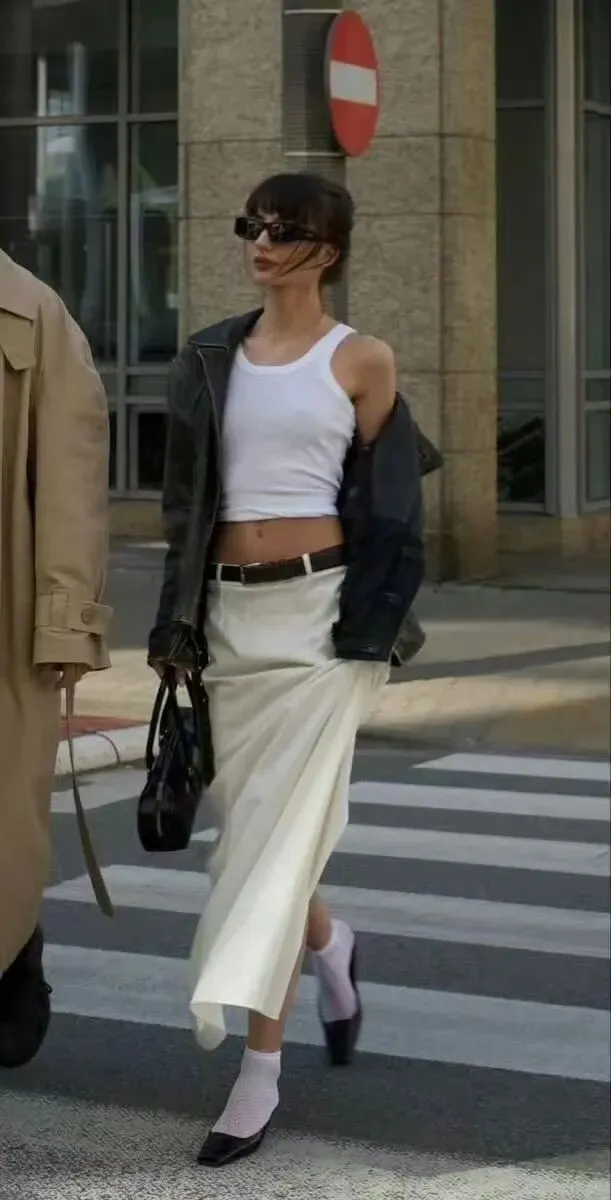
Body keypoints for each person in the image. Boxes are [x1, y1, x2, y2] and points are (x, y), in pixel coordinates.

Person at [148, 172, 424, 1168]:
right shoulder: (208, 357)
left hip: (320, 629)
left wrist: (372, 632)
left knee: (266, 850)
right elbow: (183, 509)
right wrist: (174, 629)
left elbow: (392, 514)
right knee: (260, 835)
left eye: (283, 229)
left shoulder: (362, 361)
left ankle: (257, 1071)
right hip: (229, 624)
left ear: (328, 251)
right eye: (252, 226)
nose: (260, 243)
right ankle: (330, 946)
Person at [0, 249, 111, 1068]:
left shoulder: (31, 313)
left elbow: (71, 484)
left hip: (3, 630)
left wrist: (67, 625)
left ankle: (13, 962)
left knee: (5, 824)